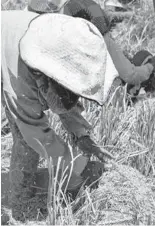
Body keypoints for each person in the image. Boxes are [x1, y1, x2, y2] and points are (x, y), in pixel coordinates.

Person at [1, 7, 154, 222]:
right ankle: (18, 202)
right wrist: (80, 166)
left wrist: (81, 136)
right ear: (43, 77)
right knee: (24, 136)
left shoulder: (59, 46)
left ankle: (20, 195)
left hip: (19, 43)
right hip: (6, 49)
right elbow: (37, 134)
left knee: (25, 137)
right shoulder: (23, 74)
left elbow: (64, 97)